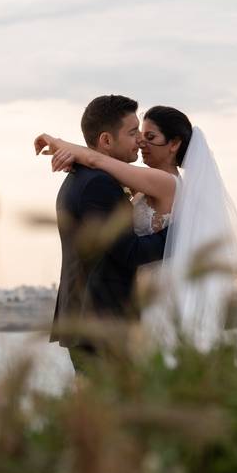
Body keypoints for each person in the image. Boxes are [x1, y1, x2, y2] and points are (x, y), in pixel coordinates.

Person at [35, 105, 237, 351]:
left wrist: (59, 143)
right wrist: (74, 157)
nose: (141, 143)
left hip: (158, 297)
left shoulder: (166, 182)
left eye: (151, 137)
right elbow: (101, 161)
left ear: (174, 144)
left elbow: (97, 158)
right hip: (139, 297)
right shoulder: (145, 183)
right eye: (140, 135)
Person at [45, 95, 169, 373]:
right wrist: (179, 233)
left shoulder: (87, 176)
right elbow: (130, 253)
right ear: (106, 141)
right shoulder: (98, 185)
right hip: (100, 321)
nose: (139, 139)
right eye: (132, 132)